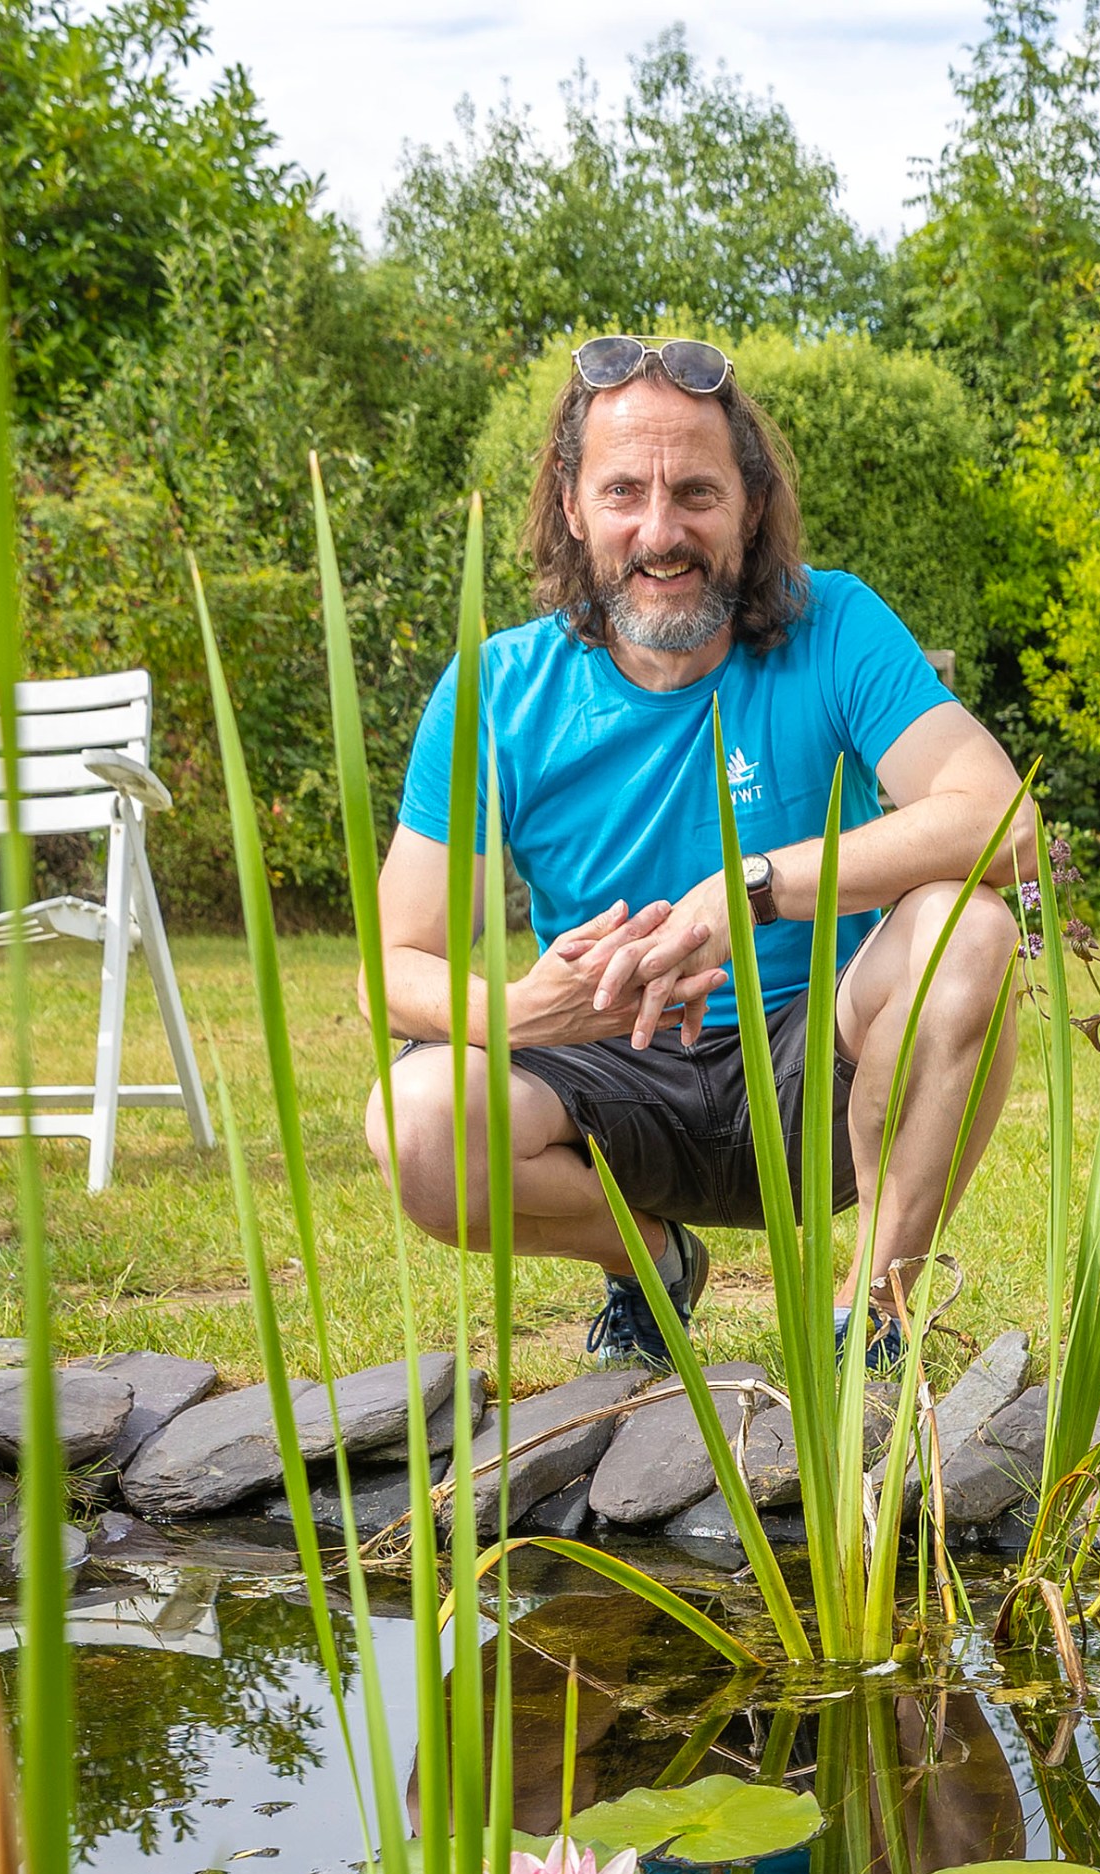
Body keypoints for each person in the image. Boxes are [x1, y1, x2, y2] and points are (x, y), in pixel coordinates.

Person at [363, 334, 1033, 1369]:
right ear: (574, 506)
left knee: (971, 925)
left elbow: (1003, 821)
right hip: (608, 1076)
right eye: (625, 491)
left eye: (696, 493)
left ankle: (874, 1319)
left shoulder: (835, 623)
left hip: (818, 1075)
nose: (660, 532)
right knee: (415, 1120)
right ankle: (647, 1262)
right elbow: (385, 969)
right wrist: (519, 1012)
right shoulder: (496, 691)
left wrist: (750, 889)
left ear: (751, 505)